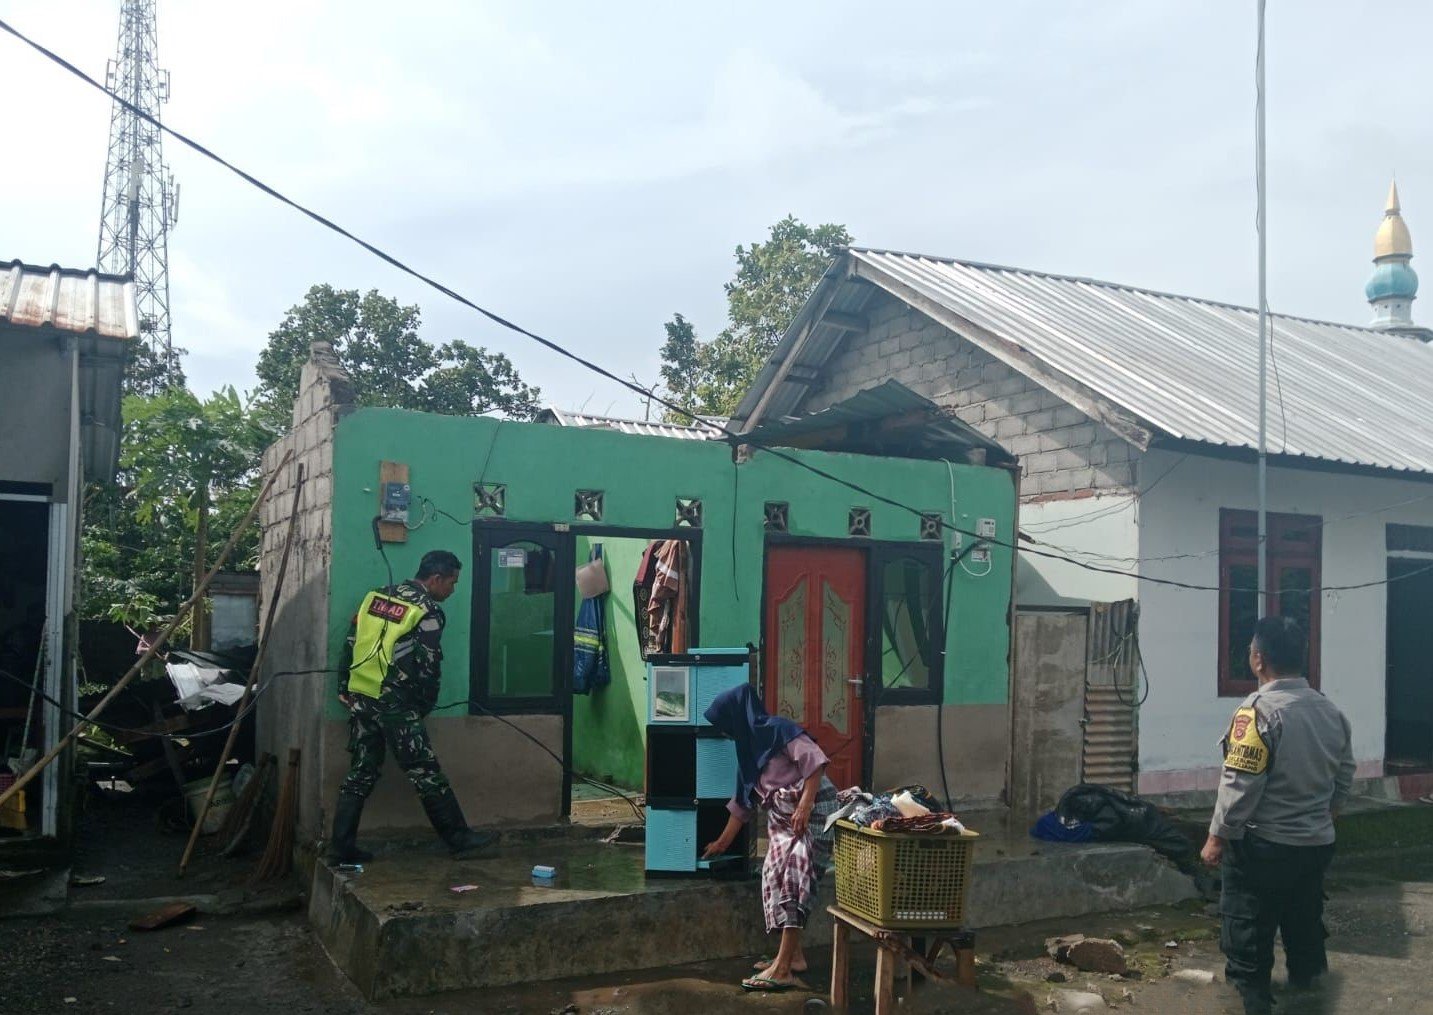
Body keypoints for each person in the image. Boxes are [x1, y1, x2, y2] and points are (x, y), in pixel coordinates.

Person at [1201, 616, 1355, 1015]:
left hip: (1262, 851)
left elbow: (1241, 785)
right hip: (1315, 847)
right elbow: (1345, 773)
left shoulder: (1257, 713)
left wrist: (1217, 837)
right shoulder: (1331, 712)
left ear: (1258, 659)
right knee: (1305, 939)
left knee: (1248, 949)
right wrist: (1327, 816)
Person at [327, 549, 496, 863]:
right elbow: (428, 666)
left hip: (361, 696)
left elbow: (352, 641)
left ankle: (341, 846)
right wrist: (423, 706)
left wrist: (343, 686)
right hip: (396, 705)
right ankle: (459, 839)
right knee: (424, 771)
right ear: (435, 579)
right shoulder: (427, 610)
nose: (453, 589)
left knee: (361, 772)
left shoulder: (377, 596)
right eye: (452, 582)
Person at [700, 684, 839, 993]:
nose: (725, 733)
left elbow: (815, 760)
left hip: (813, 812)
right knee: (772, 876)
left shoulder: (778, 730)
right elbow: (742, 808)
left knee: (794, 880)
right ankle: (795, 956)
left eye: (725, 725)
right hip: (784, 822)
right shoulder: (748, 756)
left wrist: (805, 803)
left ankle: (783, 969)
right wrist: (721, 844)